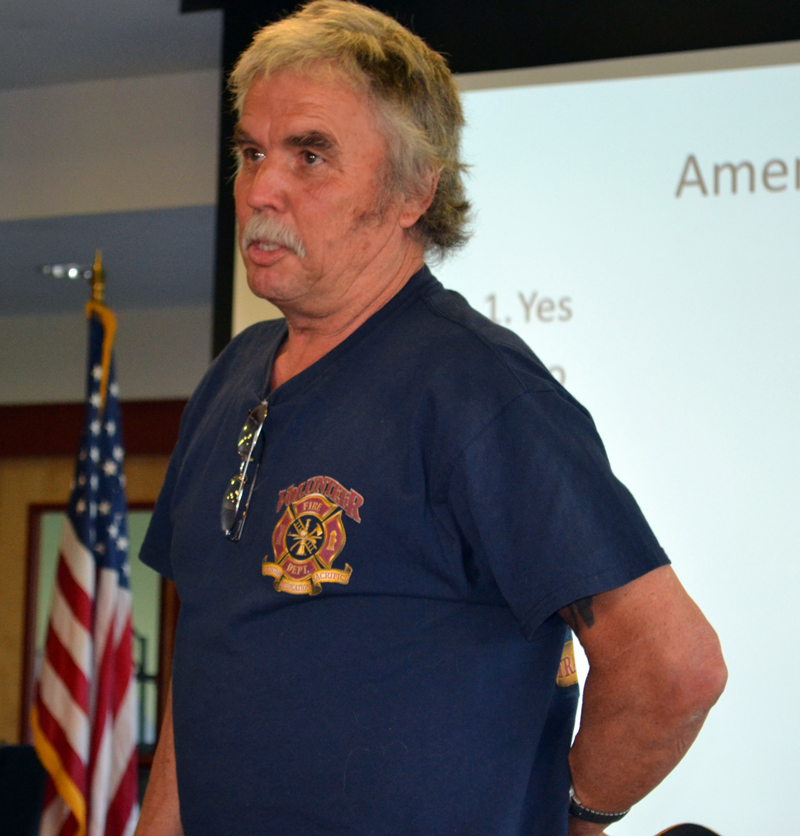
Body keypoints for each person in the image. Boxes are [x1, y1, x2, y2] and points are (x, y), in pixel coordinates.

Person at [135, 2, 726, 834]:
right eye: (251, 152)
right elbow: (205, 666)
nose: (261, 187)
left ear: (415, 189)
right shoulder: (229, 380)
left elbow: (673, 666)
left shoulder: (476, 388)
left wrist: (570, 819)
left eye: (310, 155)